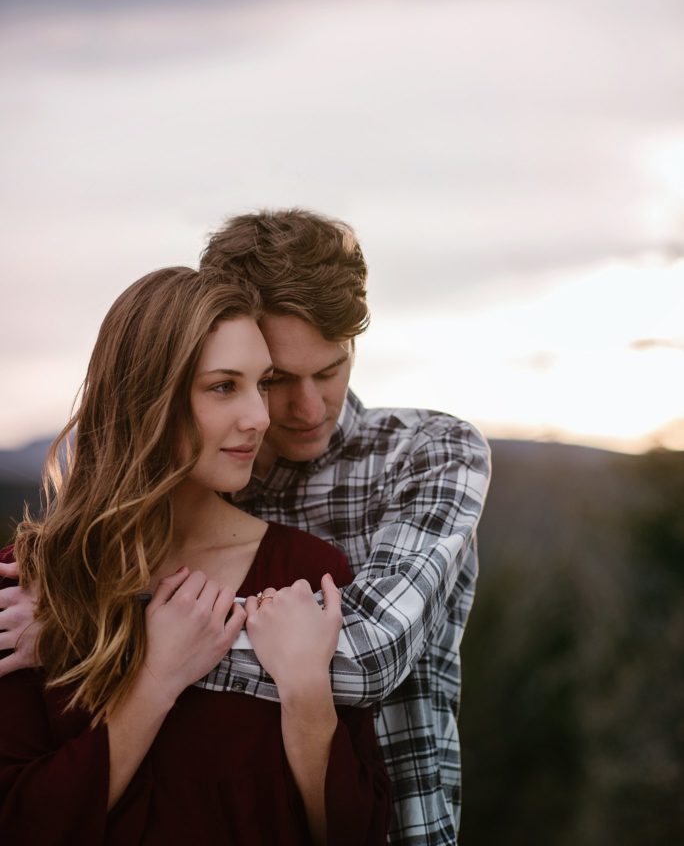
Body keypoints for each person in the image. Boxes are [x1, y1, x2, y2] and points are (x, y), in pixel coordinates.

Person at [1, 208, 490, 846]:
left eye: (332, 368)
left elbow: (371, 655)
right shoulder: (53, 570)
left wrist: (88, 628)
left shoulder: (426, 453)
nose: (298, 410)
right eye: (272, 379)